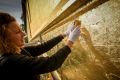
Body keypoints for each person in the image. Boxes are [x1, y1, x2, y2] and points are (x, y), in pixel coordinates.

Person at [0, 12, 80, 80]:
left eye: (21, 30)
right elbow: (51, 63)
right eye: (18, 32)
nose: (24, 34)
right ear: (4, 39)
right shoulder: (10, 62)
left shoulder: (16, 50)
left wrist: (64, 34)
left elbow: (41, 48)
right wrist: (70, 42)